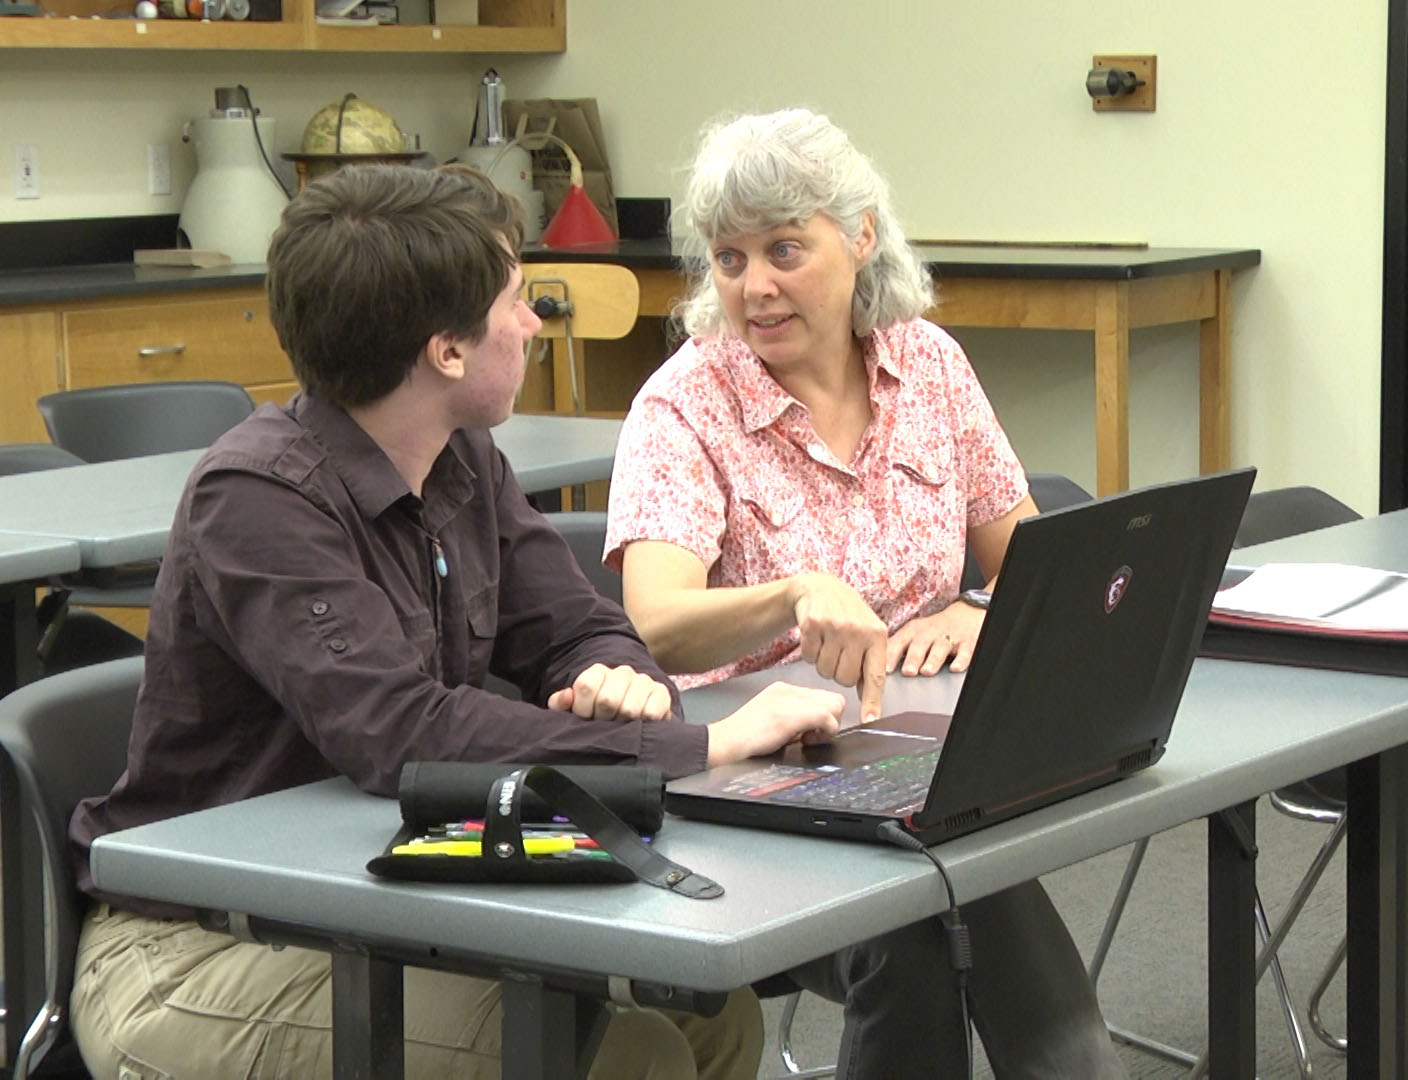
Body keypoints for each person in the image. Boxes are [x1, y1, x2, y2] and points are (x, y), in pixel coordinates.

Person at [66, 163, 848, 1080]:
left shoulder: (460, 456)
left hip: (377, 898)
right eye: (517, 300)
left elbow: (576, 625)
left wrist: (620, 678)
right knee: (625, 1051)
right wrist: (697, 748)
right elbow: (397, 732)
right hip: (195, 949)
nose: (530, 323)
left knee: (713, 1019)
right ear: (447, 352)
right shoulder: (260, 497)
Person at [605, 110, 1129, 1079]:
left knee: (964, 879)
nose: (754, 286)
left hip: (914, 757)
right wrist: (792, 597)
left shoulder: (927, 366)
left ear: (861, 238)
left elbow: (1027, 563)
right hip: (749, 780)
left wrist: (975, 609)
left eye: (785, 250)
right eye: (728, 259)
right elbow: (660, 626)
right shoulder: (683, 406)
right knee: (926, 924)